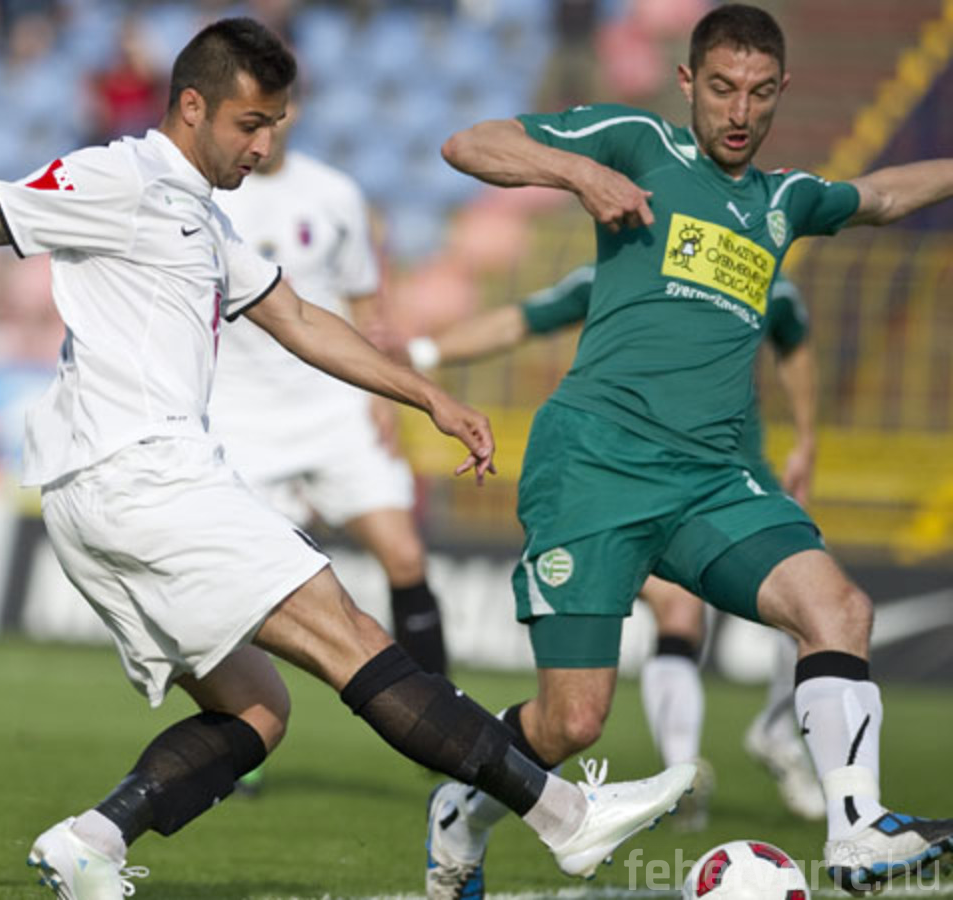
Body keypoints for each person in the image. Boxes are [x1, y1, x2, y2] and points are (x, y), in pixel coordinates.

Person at [0, 18, 694, 899]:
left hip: (95, 493)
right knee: (351, 637)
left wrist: (426, 396)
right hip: (143, 474)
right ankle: (566, 817)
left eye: (275, 125)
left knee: (256, 711)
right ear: (191, 106)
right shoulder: (118, 176)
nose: (263, 146)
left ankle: (91, 843)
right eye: (250, 124)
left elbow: (298, 319)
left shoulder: (203, 218)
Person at [425, 5, 953, 896]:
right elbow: (468, 144)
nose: (739, 112)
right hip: (596, 465)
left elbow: (886, 196)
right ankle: (461, 811)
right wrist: (580, 173)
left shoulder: (784, 201)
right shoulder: (641, 144)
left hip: (711, 479)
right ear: (687, 83)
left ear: (782, 91)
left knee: (839, 611)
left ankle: (859, 829)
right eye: (721, 88)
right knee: (572, 722)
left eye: (759, 92)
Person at [413, 265, 826, 831]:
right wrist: (423, 352)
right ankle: (682, 772)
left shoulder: (761, 276)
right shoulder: (621, 270)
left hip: (735, 482)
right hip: (629, 483)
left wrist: (806, 436)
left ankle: (777, 739)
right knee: (604, 687)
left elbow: (795, 342)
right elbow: (521, 320)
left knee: (822, 606)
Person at [209, 98, 449, 680]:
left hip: (334, 406)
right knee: (239, 585)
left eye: (280, 107)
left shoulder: (335, 193)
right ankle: (247, 728)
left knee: (405, 555)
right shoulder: (208, 197)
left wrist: (381, 397)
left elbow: (366, 304)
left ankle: (444, 719)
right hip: (239, 415)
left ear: (294, 111)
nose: (268, 124)